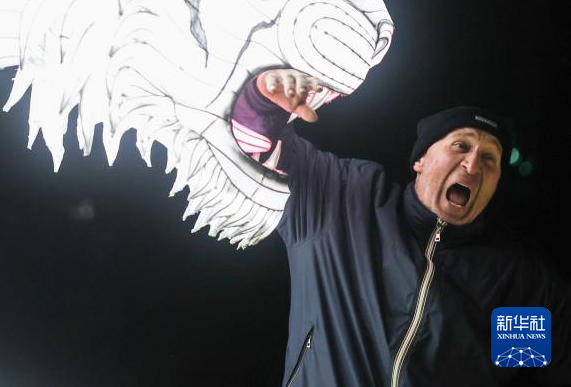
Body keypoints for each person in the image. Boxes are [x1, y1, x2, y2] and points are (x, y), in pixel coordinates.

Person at [231, 68, 570, 386]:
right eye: (461, 146)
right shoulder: (344, 200)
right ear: (420, 160)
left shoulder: (516, 284)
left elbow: (540, 371)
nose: (472, 164)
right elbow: (257, 150)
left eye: (489, 159)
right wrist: (262, 101)